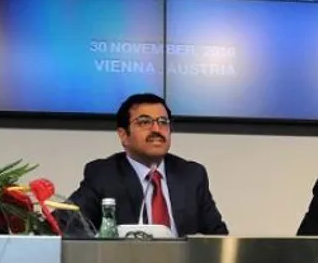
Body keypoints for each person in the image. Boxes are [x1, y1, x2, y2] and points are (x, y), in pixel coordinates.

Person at [69, 93, 228, 235]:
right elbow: (68, 224)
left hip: (184, 260)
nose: (157, 129)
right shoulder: (104, 175)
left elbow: (217, 236)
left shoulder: (191, 175)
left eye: (163, 122)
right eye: (144, 122)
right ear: (123, 135)